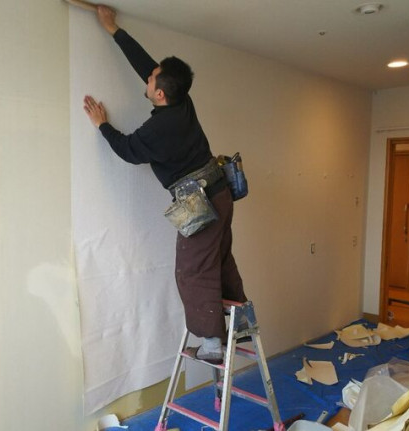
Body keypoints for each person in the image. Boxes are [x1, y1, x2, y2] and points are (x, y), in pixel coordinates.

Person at [83, 5, 246, 364]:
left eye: (152, 79)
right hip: (219, 192)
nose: (149, 77)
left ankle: (213, 343)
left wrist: (101, 124)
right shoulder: (181, 99)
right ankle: (242, 323)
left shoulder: (158, 129)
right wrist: (114, 30)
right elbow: (148, 66)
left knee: (193, 270)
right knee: (219, 259)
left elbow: (128, 150)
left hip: (199, 202)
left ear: (159, 94)